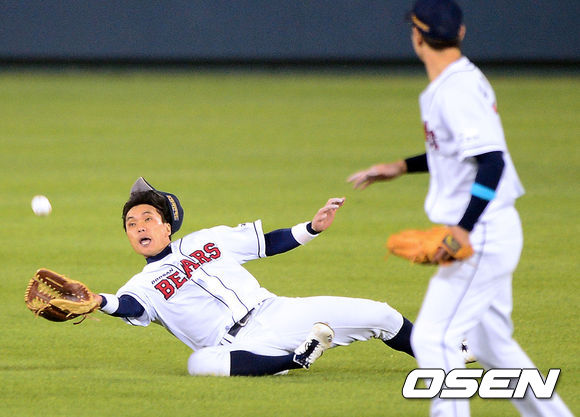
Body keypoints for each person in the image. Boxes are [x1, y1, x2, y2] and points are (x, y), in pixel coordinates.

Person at [348, 1, 573, 416]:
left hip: (482, 233)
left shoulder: (454, 91)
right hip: (493, 228)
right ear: (461, 33)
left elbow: (492, 161)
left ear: (417, 37)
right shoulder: (460, 80)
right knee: (492, 346)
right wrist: (401, 166)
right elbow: (458, 152)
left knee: (432, 338)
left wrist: (463, 229)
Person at [89, 177, 415, 376]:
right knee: (200, 363)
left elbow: (268, 243)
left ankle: (439, 353)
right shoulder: (141, 285)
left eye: (148, 218)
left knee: (382, 315)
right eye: (131, 224)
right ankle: (295, 359)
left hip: (277, 312)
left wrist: (312, 228)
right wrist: (98, 300)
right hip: (238, 347)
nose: (139, 227)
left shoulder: (207, 239)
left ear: (166, 226)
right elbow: (129, 305)